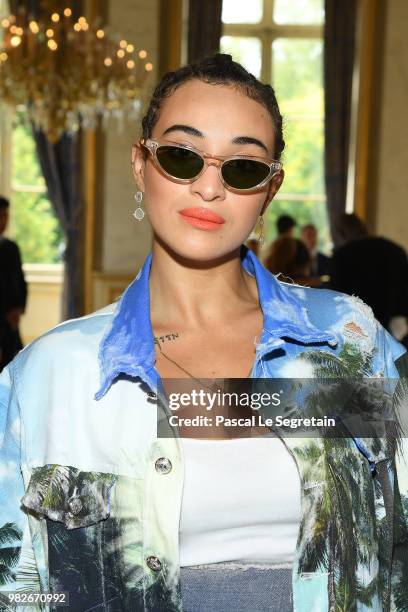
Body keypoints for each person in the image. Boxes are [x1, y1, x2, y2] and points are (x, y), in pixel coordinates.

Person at [0, 53, 407, 612]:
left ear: (269, 188)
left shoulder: (345, 343)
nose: (209, 187)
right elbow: (16, 583)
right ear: (141, 165)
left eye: (242, 167)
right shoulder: (55, 372)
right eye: (181, 156)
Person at [330, 213, 408, 344]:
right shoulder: (395, 250)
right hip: (397, 331)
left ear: (340, 234)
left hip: (359, 333)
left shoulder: (341, 256)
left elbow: (337, 299)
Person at [0, 196, 27, 370]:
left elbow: (21, 281)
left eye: (5, 216)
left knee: (13, 365)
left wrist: (19, 308)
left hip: (10, 322)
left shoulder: (11, 247)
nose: (3, 221)